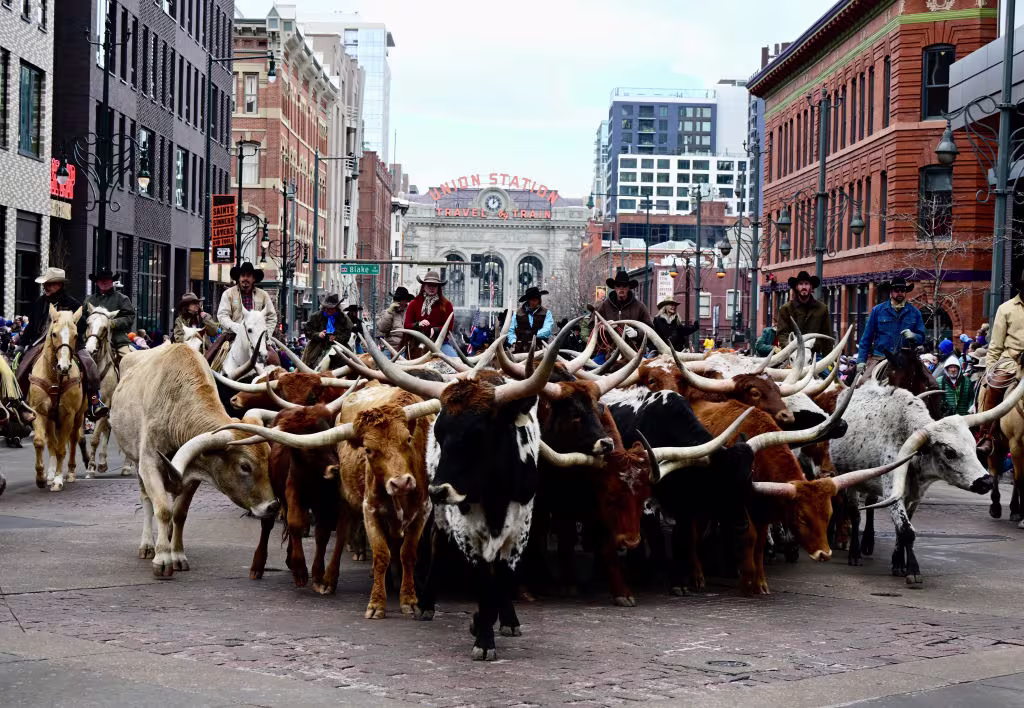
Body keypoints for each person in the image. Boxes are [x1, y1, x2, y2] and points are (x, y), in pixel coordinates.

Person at [16, 267, 109, 419]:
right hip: (41, 342)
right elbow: (31, 327)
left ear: (59, 285)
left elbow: (83, 326)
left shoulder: (73, 304)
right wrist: (22, 344)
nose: (45, 287)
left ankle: (94, 401)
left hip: (68, 345)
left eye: (50, 284)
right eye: (44, 284)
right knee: (22, 364)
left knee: (89, 364)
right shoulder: (40, 302)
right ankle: (19, 403)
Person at [976, 269, 1024, 456]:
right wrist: (990, 370)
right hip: (1010, 362)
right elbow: (995, 344)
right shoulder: (1006, 308)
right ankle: (987, 435)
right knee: (994, 387)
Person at [856, 277, 926, 376]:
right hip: (880, 358)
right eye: (896, 290)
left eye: (903, 290)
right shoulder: (877, 311)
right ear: (891, 292)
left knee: (931, 383)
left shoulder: (915, 313)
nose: (900, 293)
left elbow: (922, 338)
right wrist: (861, 360)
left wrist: (914, 336)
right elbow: (866, 338)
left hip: (906, 359)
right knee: (862, 383)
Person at [594, 270, 653, 357]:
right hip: (608, 352)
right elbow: (592, 326)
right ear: (614, 287)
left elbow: (650, 329)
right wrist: (603, 328)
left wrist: (637, 333)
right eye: (618, 285)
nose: (621, 288)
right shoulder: (604, 306)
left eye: (624, 285)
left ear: (628, 287)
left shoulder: (639, 306)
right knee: (592, 368)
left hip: (634, 353)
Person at [775, 270, 833, 358]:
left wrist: (829, 360)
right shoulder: (786, 309)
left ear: (811, 287)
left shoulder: (822, 309)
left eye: (806, 284)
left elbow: (826, 336)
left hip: (814, 355)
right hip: (793, 354)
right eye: (801, 284)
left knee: (828, 372)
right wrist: (790, 347)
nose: (804, 287)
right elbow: (782, 334)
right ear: (796, 287)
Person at [83, 266, 136, 361]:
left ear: (112, 281)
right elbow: (82, 318)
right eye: (101, 280)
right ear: (97, 282)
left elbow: (129, 317)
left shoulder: (122, 299)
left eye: (107, 280)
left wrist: (113, 323)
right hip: (91, 337)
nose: (104, 282)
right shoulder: (89, 299)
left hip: (116, 338)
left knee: (129, 360)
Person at [216, 261, 279, 339]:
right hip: (233, 336)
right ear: (239, 278)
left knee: (272, 351)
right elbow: (222, 315)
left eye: (248, 276)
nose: (245, 278)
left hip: (257, 338)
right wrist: (234, 326)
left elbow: (271, 317)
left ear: (253, 279)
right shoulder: (228, 294)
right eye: (243, 275)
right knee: (215, 350)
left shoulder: (263, 295)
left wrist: (266, 334)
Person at [404, 271, 455, 353]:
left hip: (440, 343)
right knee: (398, 361)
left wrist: (435, 330)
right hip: (415, 342)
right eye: (429, 285)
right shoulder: (414, 304)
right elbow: (406, 325)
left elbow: (449, 327)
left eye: (435, 285)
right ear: (424, 286)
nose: (432, 288)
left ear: (438, 287)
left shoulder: (447, 305)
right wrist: (418, 324)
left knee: (455, 360)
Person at [301, 293, 351, 368]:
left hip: (339, 346)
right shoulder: (316, 316)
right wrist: (318, 334)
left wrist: (336, 338)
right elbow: (308, 330)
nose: (330, 310)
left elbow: (347, 334)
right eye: (328, 308)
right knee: (309, 362)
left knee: (346, 361)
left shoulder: (343, 318)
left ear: (337, 308)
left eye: (332, 308)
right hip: (318, 345)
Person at [507, 286, 555, 353]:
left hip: (540, 350)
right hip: (520, 350)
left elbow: (547, 330)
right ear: (528, 300)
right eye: (532, 300)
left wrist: (533, 335)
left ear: (539, 300)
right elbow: (511, 331)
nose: (534, 302)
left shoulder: (547, 313)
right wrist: (513, 342)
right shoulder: (517, 313)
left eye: (536, 299)